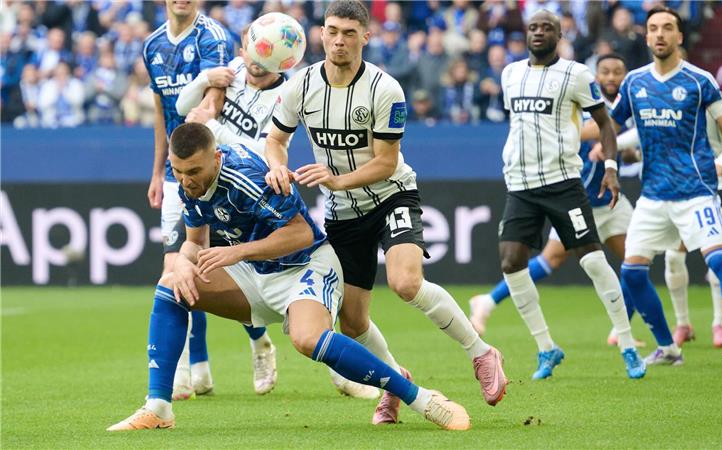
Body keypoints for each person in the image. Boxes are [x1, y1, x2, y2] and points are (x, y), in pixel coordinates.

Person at [106, 123, 470, 432]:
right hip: (256, 275)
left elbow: (301, 234)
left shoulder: (247, 177)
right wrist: (185, 262)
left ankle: (421, 398)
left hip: (305, 266)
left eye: (194, 172)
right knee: (171, 285)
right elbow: (195, 242)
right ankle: (159, 408)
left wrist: (235, 252)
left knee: (307, 339)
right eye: (178, 171)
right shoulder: (190, 183)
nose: (186, 180)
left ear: (215, 158)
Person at [264, 0, 508, 424]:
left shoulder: (385, 89)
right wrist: (276, 165)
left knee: (405, 282)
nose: (339, 40)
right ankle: (394, 381)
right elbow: (275, 139)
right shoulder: (299, 86)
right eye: (332, 31)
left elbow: (386, 162)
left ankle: (481, 353)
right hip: (343, 214)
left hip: (391, 195)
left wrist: (337, 179)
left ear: (366, 37)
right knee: (352, 321)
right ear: (321, 33)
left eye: (349, 33)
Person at [174, 25, 377, 400]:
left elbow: (260, 150)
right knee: (195, 271)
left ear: (282, 59)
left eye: (262, 55)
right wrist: (206, 81)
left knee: (281, 279)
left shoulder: (288, 93)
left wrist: (211, 125)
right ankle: (220, 360)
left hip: (253, 194)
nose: (253, 61)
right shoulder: (230, 73)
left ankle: (340, 365)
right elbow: (184, 110)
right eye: (251, 51)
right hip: (213, 187)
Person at [585, 6, 722, 365]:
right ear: (646, 37)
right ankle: (669, 347)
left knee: (721, 260)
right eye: (653, 29)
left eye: (667, 28)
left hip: (696, 190)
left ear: (679, 36)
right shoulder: (635, 82)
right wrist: (607, 155)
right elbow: (611, 127)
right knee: (632, 273)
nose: (660, 34)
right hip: (653, 194)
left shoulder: (698, 80)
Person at [494, 10, 645, 381]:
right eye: (533, 27)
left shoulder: (576, 75)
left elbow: (605, 123)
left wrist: (610, 168)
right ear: (526, 34)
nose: (539, 33)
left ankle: (626, 343)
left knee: (593, 261)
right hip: (521, 184)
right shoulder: (510, 74)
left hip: (563, 182)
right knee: (511, 261)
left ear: (560, 35)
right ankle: (546, 347)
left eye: (547, 28)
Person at [469, 53, 643, 348]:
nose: (611, 77)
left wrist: (624, 149)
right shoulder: (586, 101)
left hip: (610, 202)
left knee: (635, 265)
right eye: (605, 72)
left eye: (617, 72)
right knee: (553, 259)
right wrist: (608, 136)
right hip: (578, 195)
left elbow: (622, 150)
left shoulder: (627, 107)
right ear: (595, 75)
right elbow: (580, 130)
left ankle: (621, 330)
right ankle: (488, 301)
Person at [142, 0, 233, 400]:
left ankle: (256, 342)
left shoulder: (212, 36)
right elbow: (163, 113)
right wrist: (158, 170)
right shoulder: (151, 47)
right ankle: (188, 370)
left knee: (209, 263)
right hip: (175, 168)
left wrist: (203, 98)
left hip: (211, 168)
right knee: (175, 266)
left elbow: (216, 101)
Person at [614, 95, 722, 349]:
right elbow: (645, 135)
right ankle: (683, 325)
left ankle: (719, 325)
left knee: (716, 259)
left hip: (715, 186)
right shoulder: (658, 95)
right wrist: (609, 143)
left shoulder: (702, 88)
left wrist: (721, 162)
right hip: (675, 189)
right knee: (672, 258)